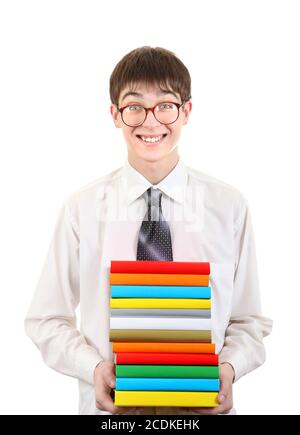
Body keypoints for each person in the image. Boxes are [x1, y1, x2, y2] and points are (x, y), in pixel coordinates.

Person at [25, 46, 272, 415]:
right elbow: (46, 318)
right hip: (112, 415)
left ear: (186, 111)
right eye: (135, 106)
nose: (151, 122)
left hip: (202, 410)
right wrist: (93, 368)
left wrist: (229, 367)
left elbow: (248, 319)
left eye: (166, 105)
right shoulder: (82, 209)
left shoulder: (229, 207)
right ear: (115, 115)